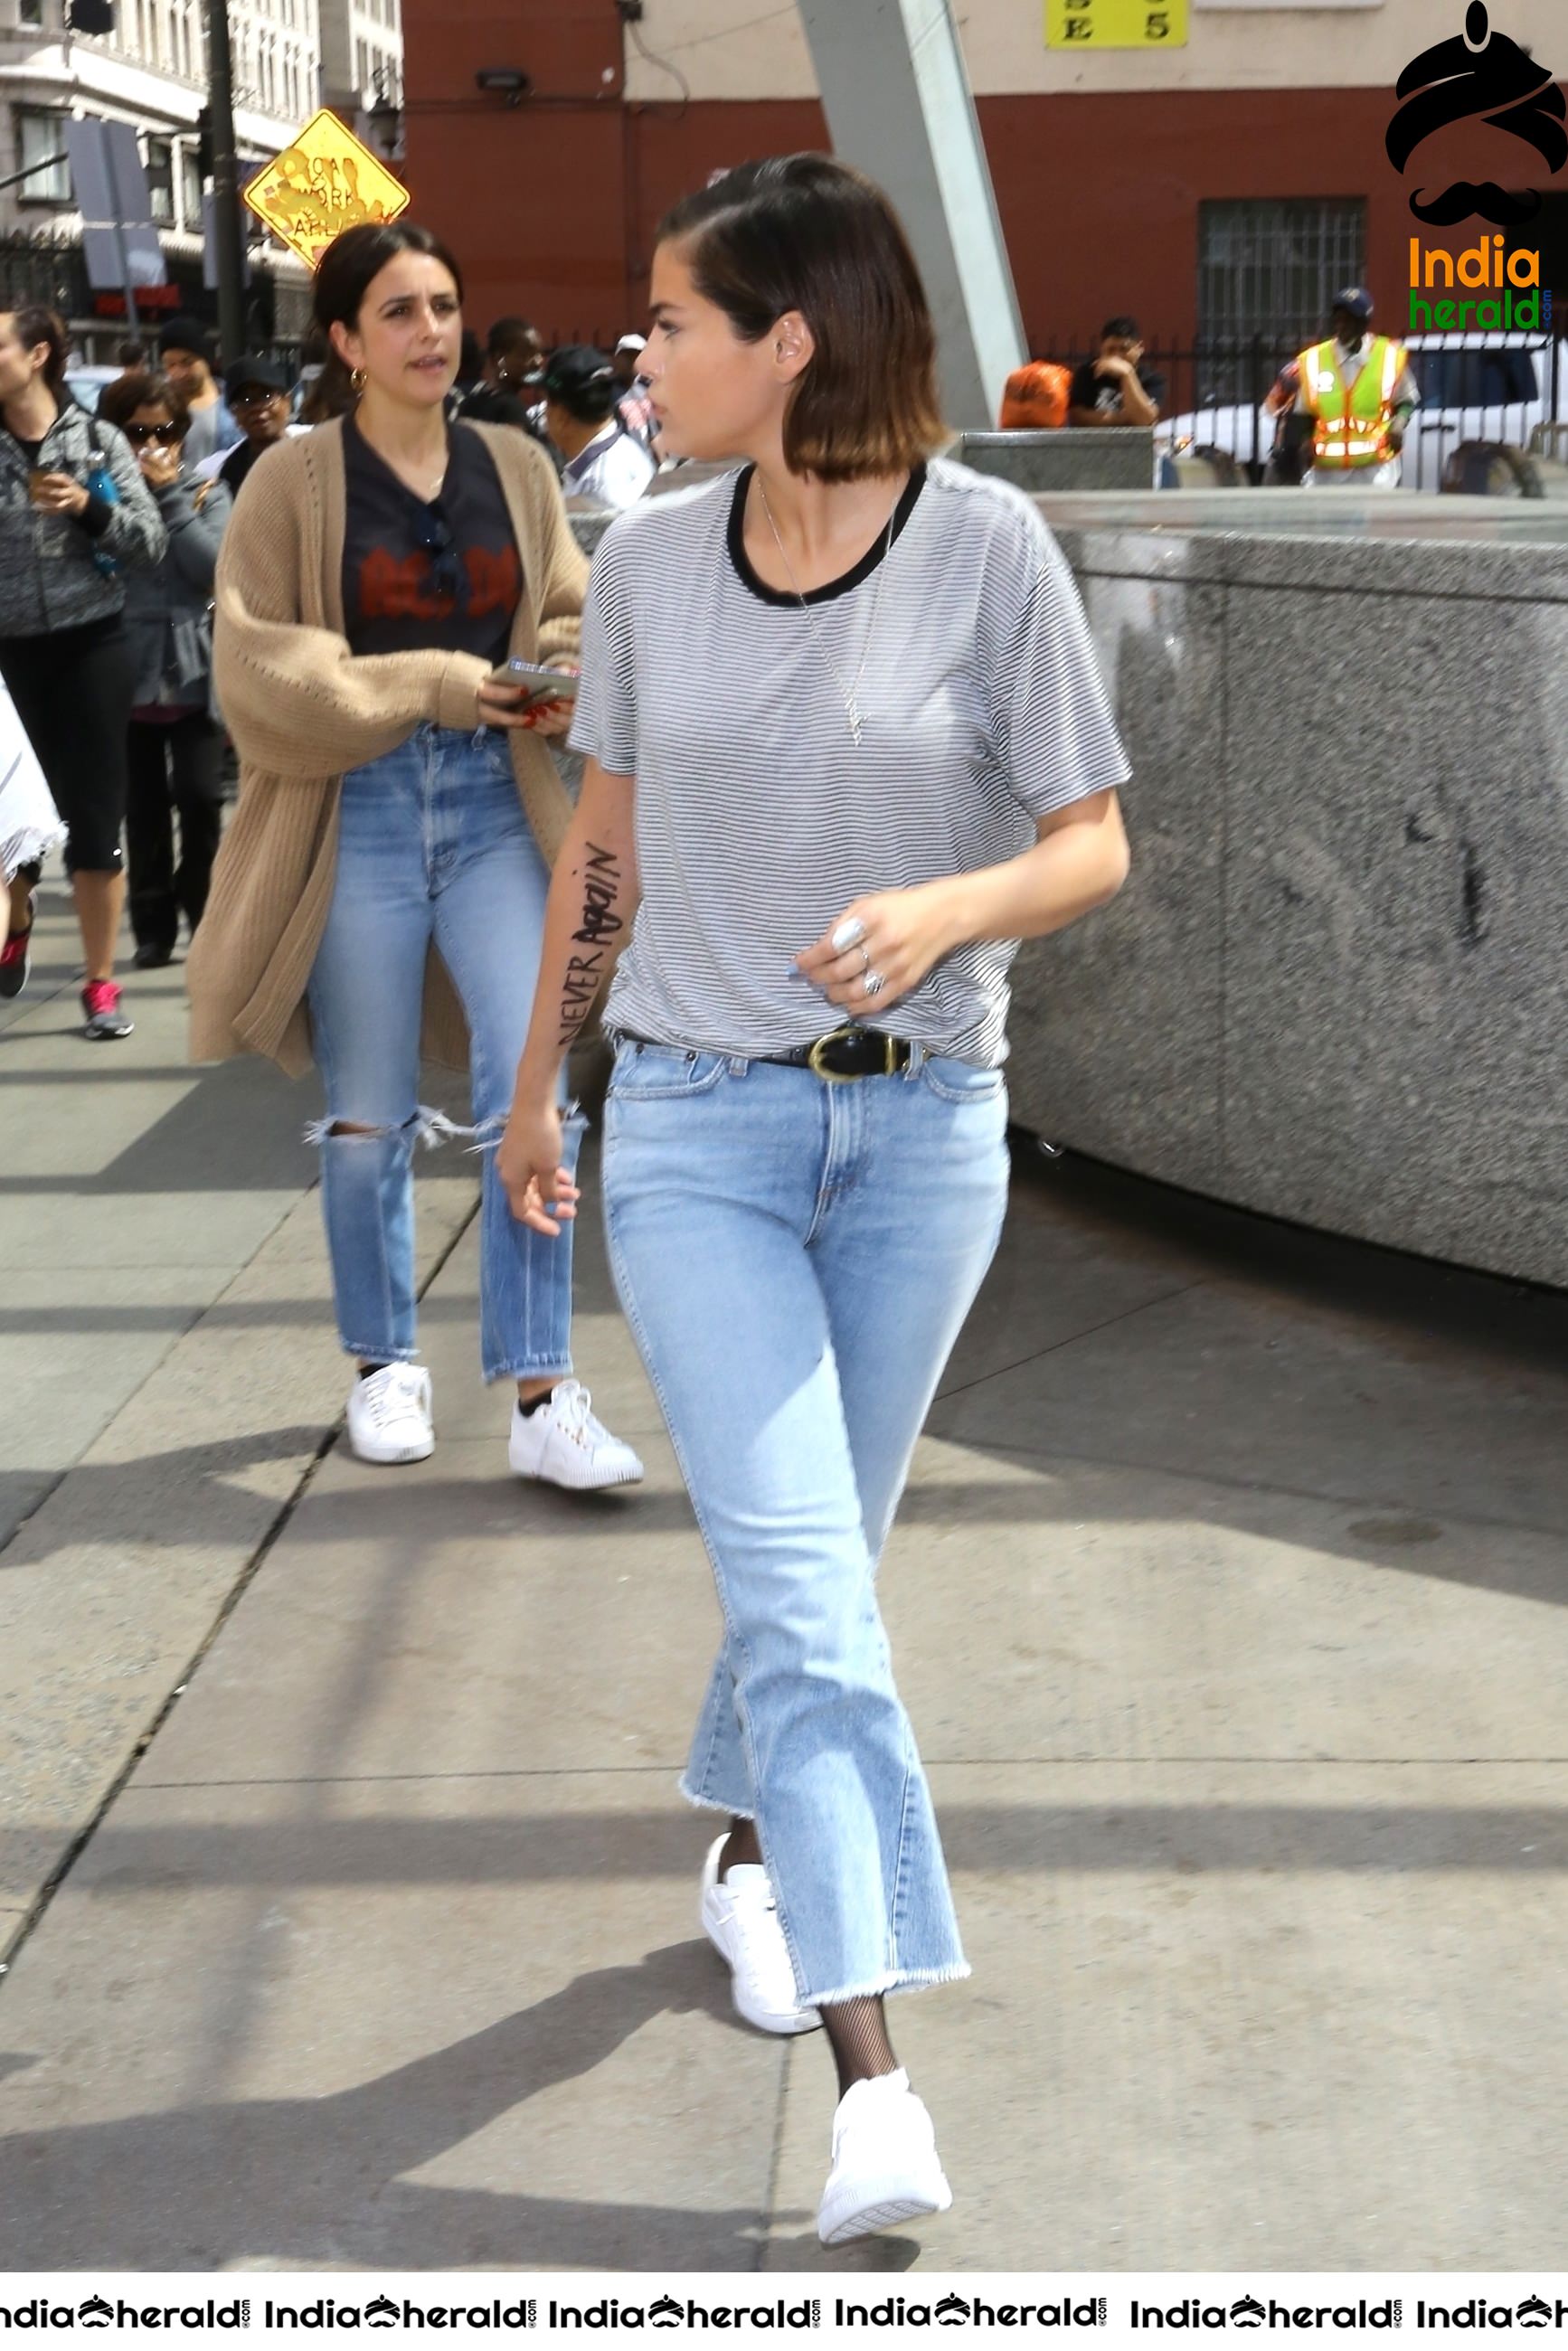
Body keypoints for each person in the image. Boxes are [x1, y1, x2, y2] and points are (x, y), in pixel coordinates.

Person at [496, 153, 1130, 2244]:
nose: (637, 356)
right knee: (808, 1597)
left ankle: (756, 1852)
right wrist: (531, 1093)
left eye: (670, 322)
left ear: (791, 340)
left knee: (813, 1561)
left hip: (923, 1132)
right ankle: (878, 2086)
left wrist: (945, 904)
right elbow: (604, 850)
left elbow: (1086, 842)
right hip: (691, 1126)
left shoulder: (988, 549)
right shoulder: (653, 563)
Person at [189, 221, 645, 1487]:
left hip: (500, 809)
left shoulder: (513, 462)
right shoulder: (289, 481)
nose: (431, 332)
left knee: (534, 1089)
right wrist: (442, 681)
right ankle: (383, 1363)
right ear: (343, 339)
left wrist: (552, 668)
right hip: (358, 812)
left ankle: (542, 1387)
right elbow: (259, 666)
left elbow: (565, 598)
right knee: (365, 1117)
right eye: (398, 311)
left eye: (443, 305)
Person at [0, 305, 166, 1034]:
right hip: (9, 653)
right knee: (10, 827)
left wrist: (87, 510)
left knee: (97, 821)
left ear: (36, 354)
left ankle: (101, 985)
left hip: (94, 645)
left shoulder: (98, 441)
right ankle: (19, 913)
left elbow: (149, 543)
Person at [95, 369, 227, 968]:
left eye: (168, 430)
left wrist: (172, 498)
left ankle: (201, 908)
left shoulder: (206, 491)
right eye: (138, 431)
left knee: (200, 798)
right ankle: (152, 925)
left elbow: (214, 570)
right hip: (126, 673)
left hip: (195, 673)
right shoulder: (97, 499)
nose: (155, 444)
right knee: (141, 809)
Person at [1290, 288, 1417, 489]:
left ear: (1364, 324)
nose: (1342, 326)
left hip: (1376, 472)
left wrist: (1398, 425)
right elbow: (1304, 412)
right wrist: (1306, 441)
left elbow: (1407, 399)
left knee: (1373, 520)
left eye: (1349, 320)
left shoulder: (1388, 356)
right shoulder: (1315, 360)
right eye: (1338, 319)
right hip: (1327, 476)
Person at [530, 345, 656, 509]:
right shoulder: (625, 452)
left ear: (561, 416)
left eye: (547, 404)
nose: (545, 414)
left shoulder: (595, 489)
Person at [457, 318, 555, 462]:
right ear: (499, 360)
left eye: (539, 353)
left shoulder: (471, 402)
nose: (538, 361)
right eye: (527, 354)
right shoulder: (510, 408)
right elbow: (516, 464)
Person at [204, 356, 298, 497]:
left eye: (266, 396)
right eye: (245, 401)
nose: (257, 408)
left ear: (287, 401)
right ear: (233, 414)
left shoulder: (315, 453)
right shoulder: (228, 473)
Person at [156, 317, 241, 468]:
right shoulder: (158, 405)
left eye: (187, 363)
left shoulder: (235, 401)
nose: (178, 373)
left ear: (206, 359)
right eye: (170, 365)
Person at [1067, 316, 1164, 429]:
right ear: (1102, 349)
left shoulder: (1153, 379)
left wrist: (1127, 374)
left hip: (1133, 445)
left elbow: (1144, 420)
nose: (1117, 355)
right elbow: (1077, 418)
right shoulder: (1088, 372)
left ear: (1139, 348)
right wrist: (1125, 419)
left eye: (1124, 349)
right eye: (1111, 349)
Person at [612, 332, 656, 446]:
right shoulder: (607, 396)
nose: (632, 361)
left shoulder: (645, 391)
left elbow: (654, 435)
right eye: (627, 356)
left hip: (647, 460)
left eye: (637, 356)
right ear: (617, 358)